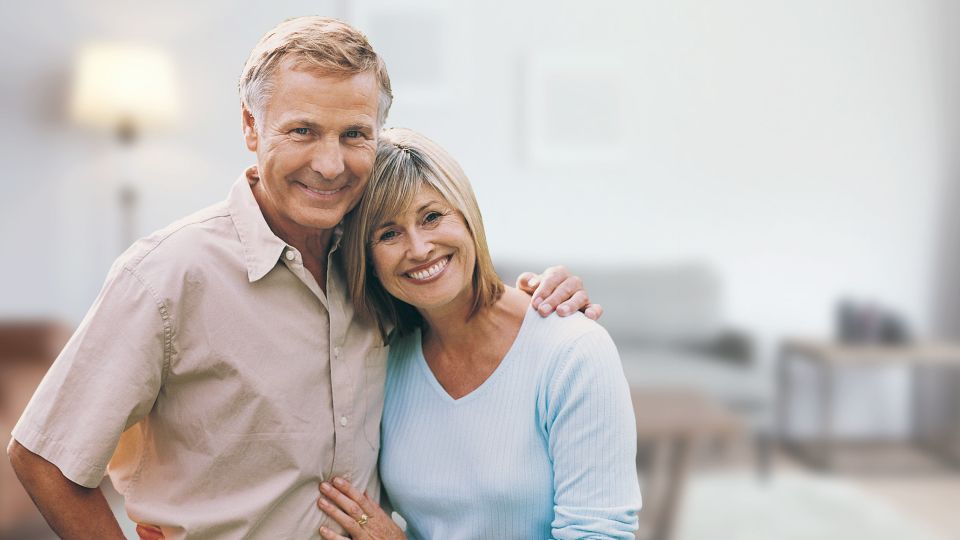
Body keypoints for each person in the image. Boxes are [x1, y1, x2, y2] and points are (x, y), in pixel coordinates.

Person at [6, 17, 600, 539]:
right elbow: (44, 458)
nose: (330, 163)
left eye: (354, 135)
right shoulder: (166, 274)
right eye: (302, 131)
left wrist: (543, 302)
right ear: (250, 127)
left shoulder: (378, 262)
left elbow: (462, 311)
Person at [314, 128, 641, 540]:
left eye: (432, 216)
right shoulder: (385, 357)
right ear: (368, 259)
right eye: (389, 233)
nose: (418, 248)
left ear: (468, 217)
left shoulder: (573, 351)